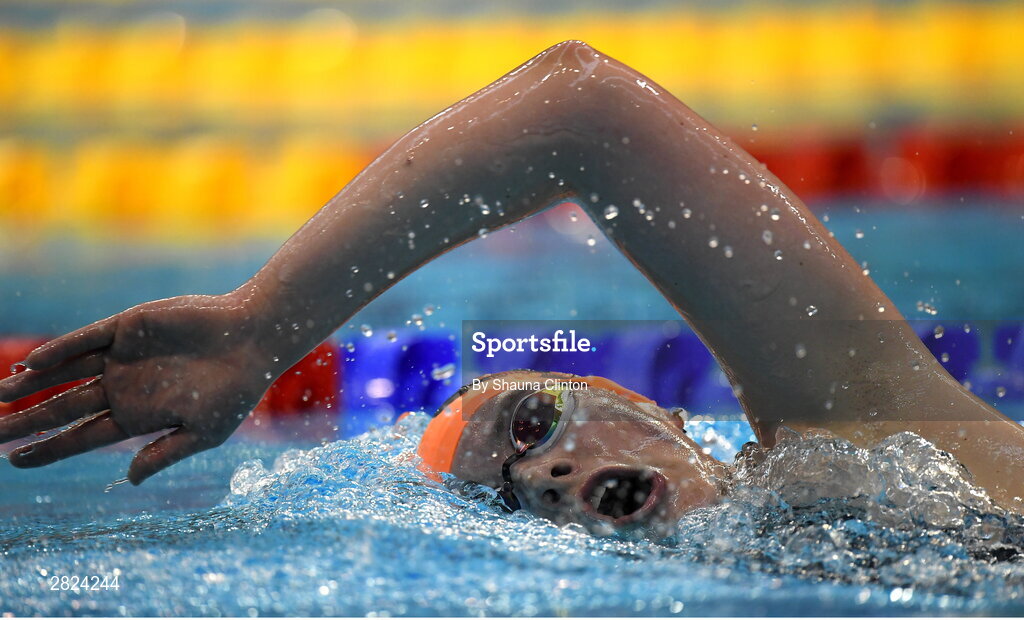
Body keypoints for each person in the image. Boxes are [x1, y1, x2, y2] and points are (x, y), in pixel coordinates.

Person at [0, 41, 1021, 526]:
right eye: (511, 499)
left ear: (648, 404)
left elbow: (581, 109)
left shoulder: (862, 429)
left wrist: (262, 323)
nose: (547, 477)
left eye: (533, 425)